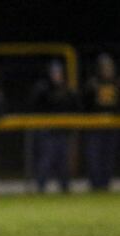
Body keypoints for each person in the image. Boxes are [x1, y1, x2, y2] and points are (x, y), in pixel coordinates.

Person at [29, 61, 81, 193]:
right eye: (54, 73)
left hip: (63, 132)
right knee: (45, 162)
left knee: (64, 163)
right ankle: (40, 189)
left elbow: (76, 108)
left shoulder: (67, 90)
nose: (57, 76)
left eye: (58, 73)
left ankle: (65, 188)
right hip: (48, 132)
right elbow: (35, 105)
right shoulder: (44, 89)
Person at [82, 53, 119, 191]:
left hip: (112, 126)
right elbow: (84, 106)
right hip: (95, 127)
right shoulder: (92, 84)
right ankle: (95, 185)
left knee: (108, 158)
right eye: (104, 67)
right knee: (94, 158)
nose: (107, 69)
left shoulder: (116, 83)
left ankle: (105, 185)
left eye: (109, 67)